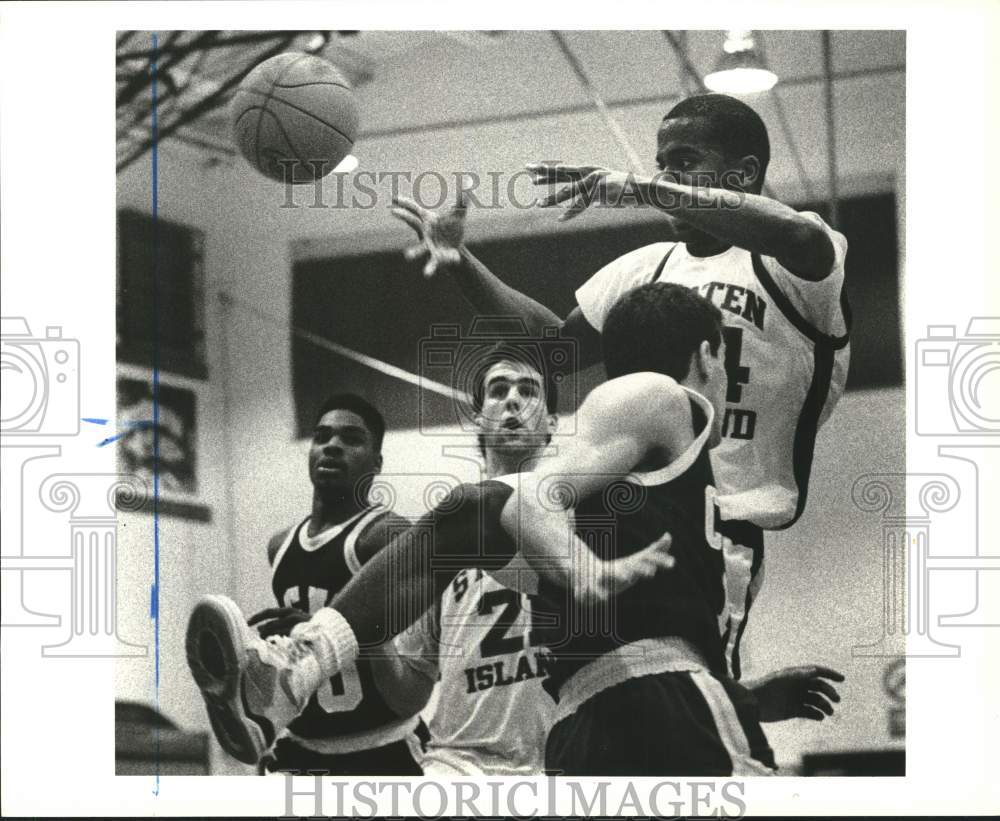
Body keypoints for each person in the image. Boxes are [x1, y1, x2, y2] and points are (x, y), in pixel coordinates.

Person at [186, 288, 842, 774]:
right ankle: (292, 672)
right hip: (579, 728)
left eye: (528, 390)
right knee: (469, 514)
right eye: (498, 391)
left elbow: (523, 511)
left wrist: (741, 697)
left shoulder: (644, 490)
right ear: (707, 354)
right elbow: (524, 501)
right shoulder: (658, 396)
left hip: (603, 725)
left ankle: (292, 670)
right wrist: (569, 558)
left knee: (469, 513)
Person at [389, 92, 851, 679]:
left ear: (746, 173)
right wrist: (460, 261)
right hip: (619, 507)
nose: (664, 175)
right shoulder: (645, 267)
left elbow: (797, 235)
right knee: (477, 515)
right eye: (660, 163)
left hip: (713, 527)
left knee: (683, 699)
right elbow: (553, 351)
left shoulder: (797, 260)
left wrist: (636, 188)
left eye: (683, 160)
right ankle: (310, 654)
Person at [186, 393, 423, 774]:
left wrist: (318, 625)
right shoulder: (280, 546)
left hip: (379, 746)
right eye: (322, 436)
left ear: (376, 463)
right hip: (302, 748)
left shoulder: (389, 534)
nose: (332, 446)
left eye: (351, 439)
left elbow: (410, 663)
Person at [371, 344, 559, 776]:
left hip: (564, 762)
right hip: (459, 766)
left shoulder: (584, 519)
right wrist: (372, 633)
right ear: (479, 418)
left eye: (529, 390)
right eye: (498, 390)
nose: (512, 399)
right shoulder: (444, 535)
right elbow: (409, 694)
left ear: (551, 423)